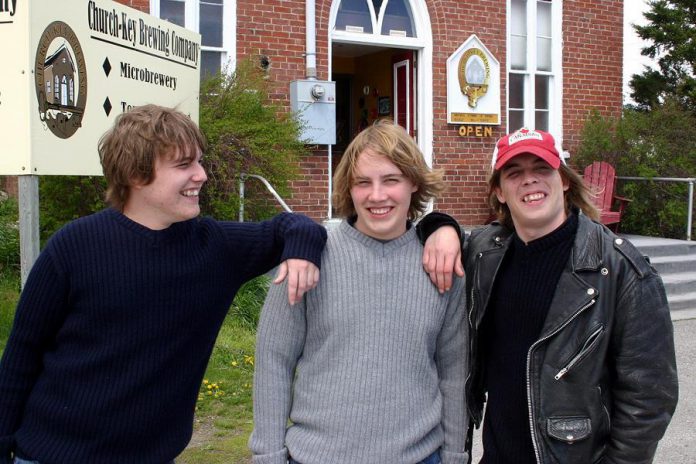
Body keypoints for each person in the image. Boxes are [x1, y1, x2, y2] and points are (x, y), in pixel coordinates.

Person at [0, 105, 327, 464]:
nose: (202, 175)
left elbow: (295, 226)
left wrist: (302, 251)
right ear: (137, 174)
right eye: (184, 165)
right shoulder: (73, 246)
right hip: (52, 456)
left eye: (200, 162)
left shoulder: (214, 247)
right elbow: (21, 357)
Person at [418, 128, 679, 463]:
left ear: (565, 181)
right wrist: (441, 227)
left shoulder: (620, 270)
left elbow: (650, 398)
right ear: (499, 191)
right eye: (514, 173)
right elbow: (426, 231)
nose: (529, 180)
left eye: (542, 169)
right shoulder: (485, 253)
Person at [249, 120, 468, 464]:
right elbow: (274, 361)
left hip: (420, 456)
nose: (376, 195)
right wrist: (268, 455)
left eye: (391, 180)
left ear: (413, 182)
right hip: (316, 456)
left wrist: (455, 455)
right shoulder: (307, 257)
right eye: (363, 182)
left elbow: (454, 371)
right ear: (348, 189)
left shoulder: (441, 263)